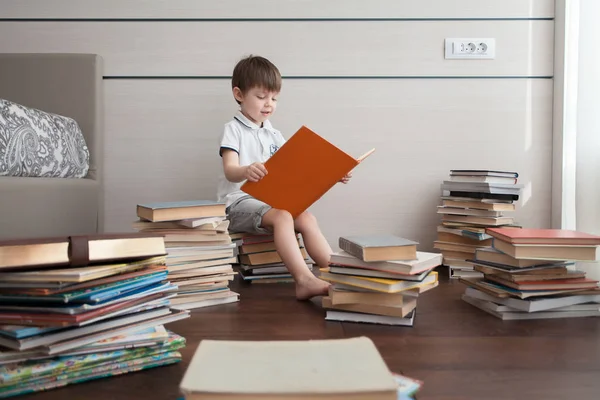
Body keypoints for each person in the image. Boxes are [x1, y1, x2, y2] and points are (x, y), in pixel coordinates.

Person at [216, 55, 352, 300]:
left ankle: (340, 274)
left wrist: (331, 174)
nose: (269, 104)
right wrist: (246, 170)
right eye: (261, 97)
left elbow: (297, 169)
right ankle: (304, 280)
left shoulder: (274, 133)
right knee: (283, 216)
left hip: (269, 200)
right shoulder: (233, 129)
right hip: (238, 202)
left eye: (274, 98)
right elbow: (229, 170)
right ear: (239, 94)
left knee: (307, 217)